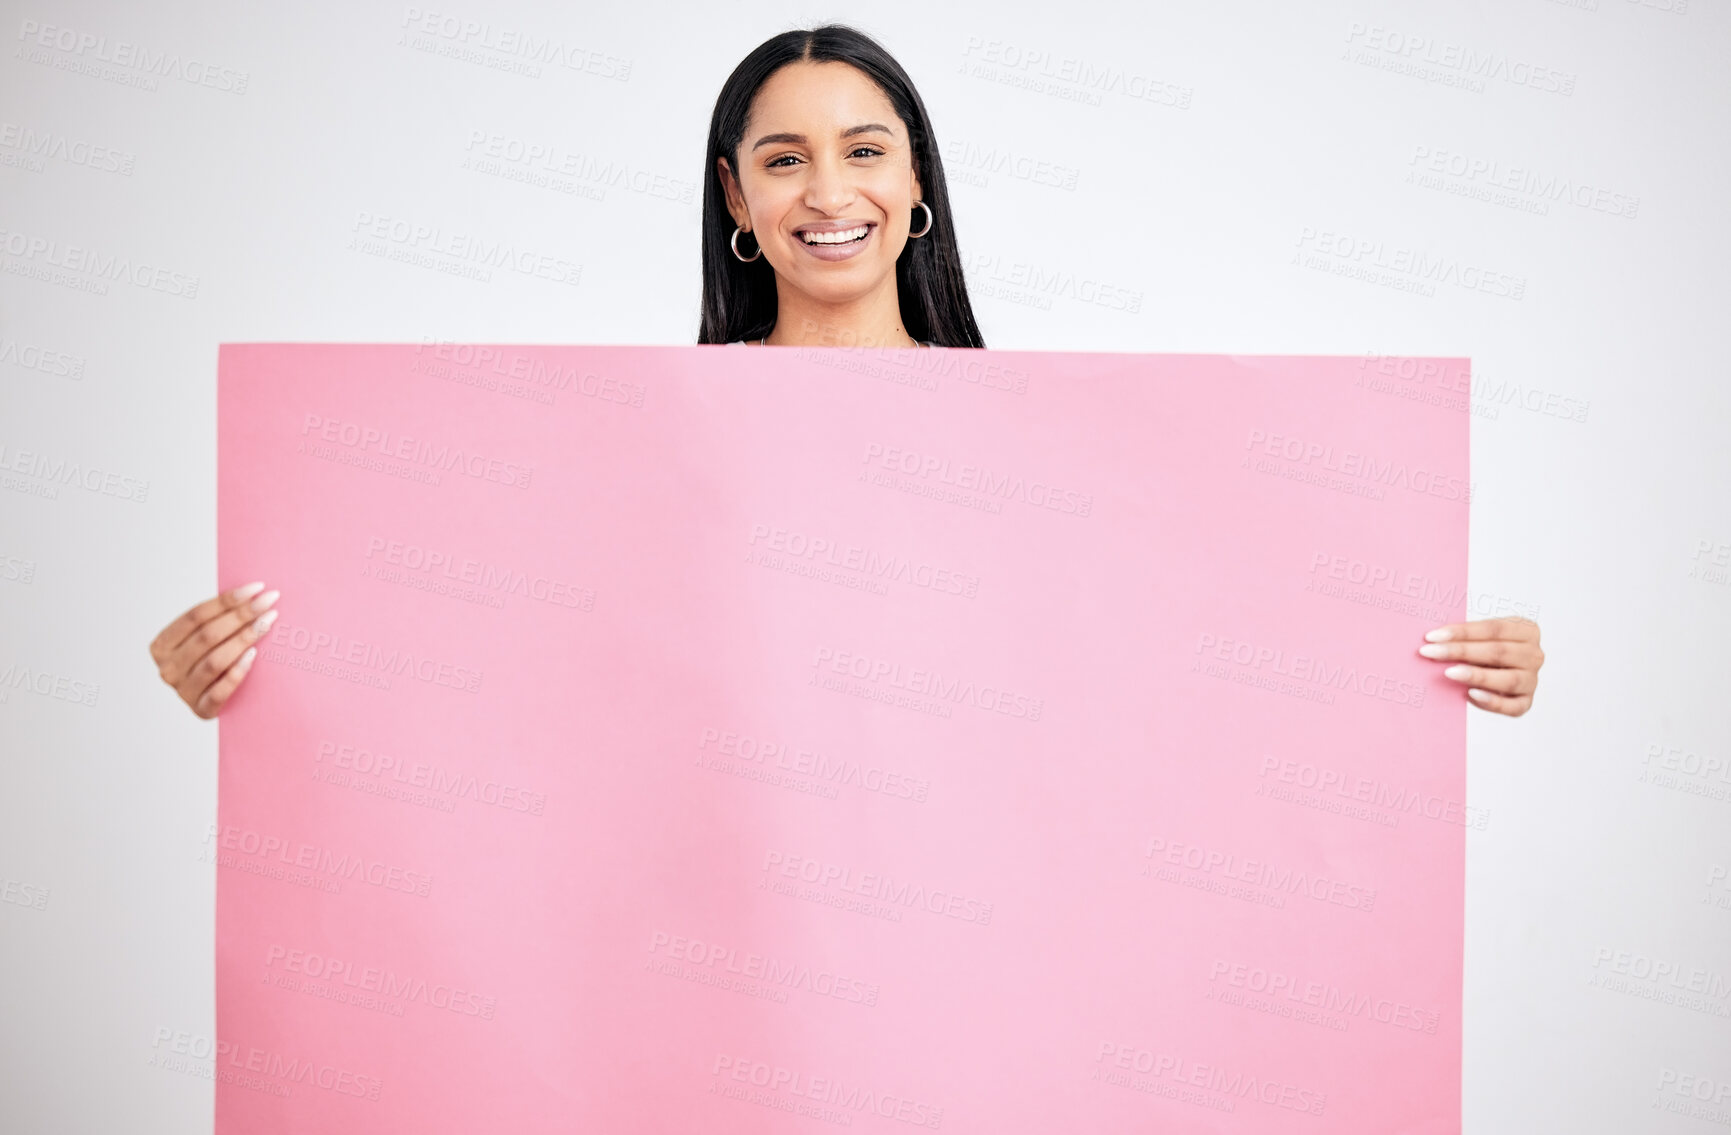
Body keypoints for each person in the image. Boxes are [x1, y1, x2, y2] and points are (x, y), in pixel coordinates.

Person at [148, 24, 1544, 719]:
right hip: (700, 964)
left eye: (866, 147)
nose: (830, 188)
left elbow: (1188, 650)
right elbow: (501, 658)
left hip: (998, 956)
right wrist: (258, 667)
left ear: (916, 180)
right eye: (785, 155)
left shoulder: (1049, 448)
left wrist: (1435, 653)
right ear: (737, 197)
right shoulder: (632, 451)